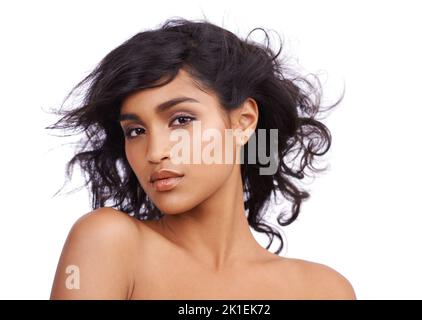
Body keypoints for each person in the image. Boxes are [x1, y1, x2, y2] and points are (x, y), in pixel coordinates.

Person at [47, 17, 355, 299]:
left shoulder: (323, 290)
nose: (155, 153)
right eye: (136, 131)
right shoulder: (108, 242)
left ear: (243, 121)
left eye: (181, 120)